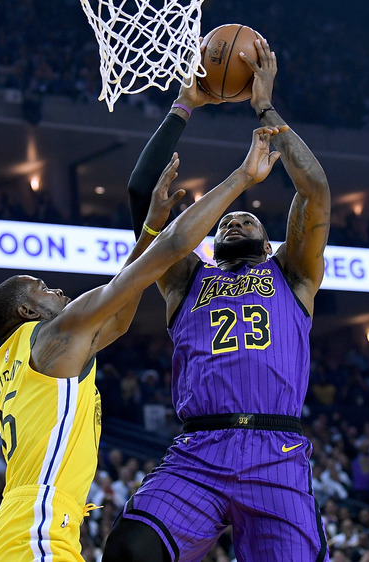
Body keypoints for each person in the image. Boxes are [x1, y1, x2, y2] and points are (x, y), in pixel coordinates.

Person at [0, 125, 285, 561]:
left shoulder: (18, 356)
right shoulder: (55, 334)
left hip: (27, 524)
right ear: (28, 312)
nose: (56, 291)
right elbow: (174, 249)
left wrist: (148, 227)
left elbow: (120, 318)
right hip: (37, 525)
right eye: (42, 288)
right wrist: (241, 178)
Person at [105, 36, 332, 561]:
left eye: (247, 216)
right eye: (227, 219)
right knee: (130, 551)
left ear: (272, 241)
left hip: (276, 452)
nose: (234, 217)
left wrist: (264, 106)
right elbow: (143, 198)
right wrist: (185, 104)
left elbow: (315, 188)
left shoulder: (293, 274)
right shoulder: (186, 277)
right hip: (198, 450)